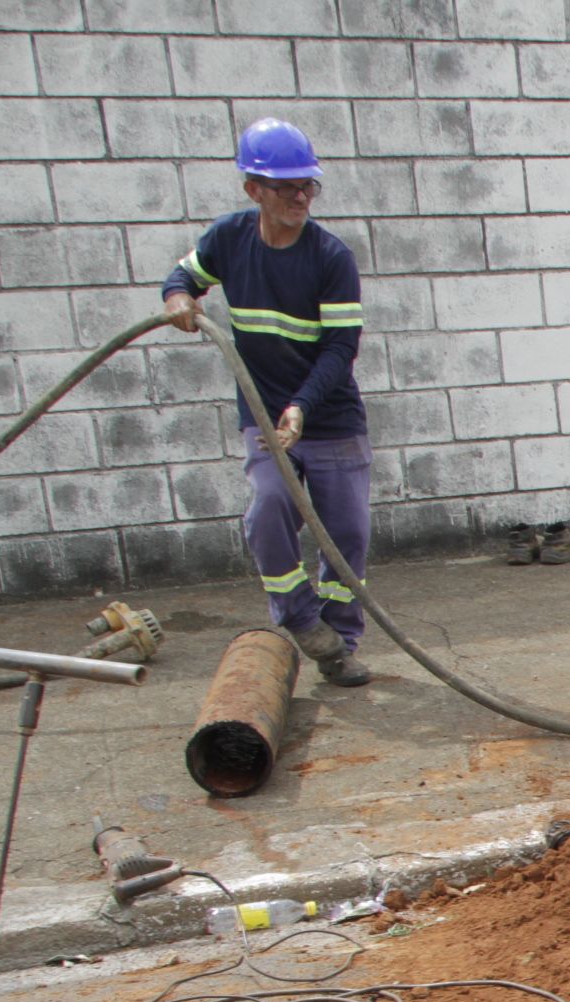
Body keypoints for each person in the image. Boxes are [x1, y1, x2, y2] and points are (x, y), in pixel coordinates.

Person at [161, 118, 372, 688]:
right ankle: (300, 620)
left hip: (328, 417)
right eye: (286, 188)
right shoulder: (229, 240)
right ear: (253, 189)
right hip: (263, 416)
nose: (300, 197)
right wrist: (178, 297)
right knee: (268, 509)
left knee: (347, 535)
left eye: (308, 186)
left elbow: (340, 348)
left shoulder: (331, 258)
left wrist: (302, 405)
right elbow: (183, 275)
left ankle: (339, 645)